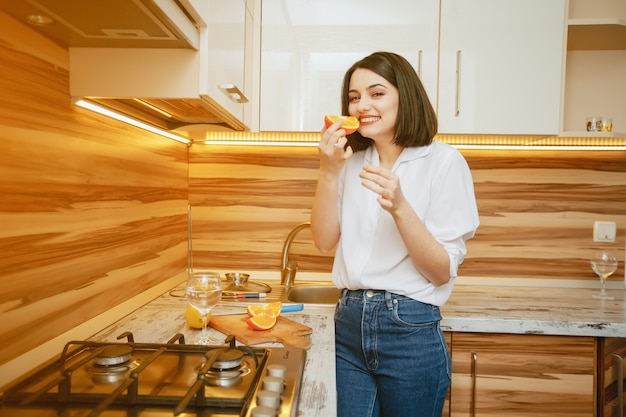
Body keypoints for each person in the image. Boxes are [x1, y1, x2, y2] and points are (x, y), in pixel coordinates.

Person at [310, 51, 480, 417]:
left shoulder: (444, 163)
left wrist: (401, 208)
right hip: (348, 325)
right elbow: (324, 242)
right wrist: (328, 172)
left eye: (376, 93)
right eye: (354, 97)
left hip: (410, 331)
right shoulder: (351, 162)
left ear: (406, 95)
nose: (361, 105)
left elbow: (440, 271)